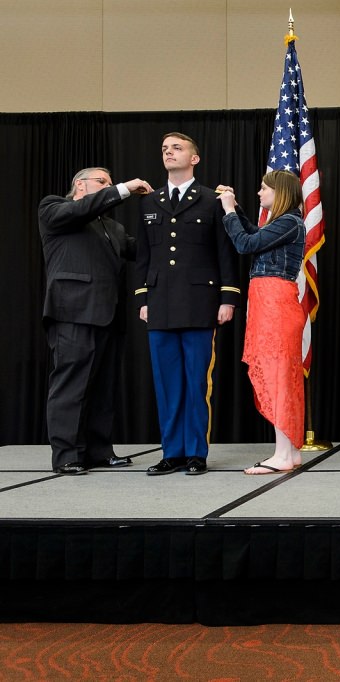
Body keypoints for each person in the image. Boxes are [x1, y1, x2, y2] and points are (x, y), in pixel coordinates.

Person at [136, 133, 240, 476]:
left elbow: (225, 254)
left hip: (200, 302)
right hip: (161, 302)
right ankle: (173, 452)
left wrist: (228, 298)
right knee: (167, 384)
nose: (168, 152)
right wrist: (143, 297)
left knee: (197, 382)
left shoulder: (213, 200)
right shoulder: (150, 201)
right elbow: (145, 255)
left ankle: (196, 452)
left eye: (176, 148)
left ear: (194, 159)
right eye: (164, 148)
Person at [39, 168, 153, 475]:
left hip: (108, 314)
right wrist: (124, 188)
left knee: (104, 386)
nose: (108, 186)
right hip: (72, 311)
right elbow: (80, 210)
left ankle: (99, 451)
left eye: (109, 182)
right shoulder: (54, 207)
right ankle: (66, 455)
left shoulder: (112, 226)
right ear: (80, 184)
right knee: (71, 385)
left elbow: (141, 251)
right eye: (101, 182)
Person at [218, 171, 306, 474]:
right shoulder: (285, 223)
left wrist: (229, 211)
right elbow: (256, 235)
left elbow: (245, 244)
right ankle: (290, 451)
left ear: (279, 192)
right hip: (271, 300)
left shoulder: (289, 222)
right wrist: (238, 209)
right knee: (283, 374)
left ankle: (283, 454)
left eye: (263, 188)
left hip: (275, 302)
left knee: (278, 373)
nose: (259, 193)